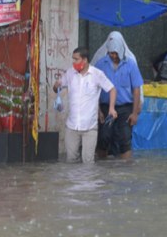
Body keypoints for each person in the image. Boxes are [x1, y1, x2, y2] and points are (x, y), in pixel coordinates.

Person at [53, 47, 117, 163]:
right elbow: (56, 88)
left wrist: (111, 108)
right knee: (71, 161)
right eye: (73, 59)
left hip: (90, 127)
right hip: (72, 127)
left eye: (76, 59)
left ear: (85, 60)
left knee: (88, 163)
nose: (73, 62)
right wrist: (56, 86)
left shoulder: (97, 74)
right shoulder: (70, 73)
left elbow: (112, 89)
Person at [93, 31, 144, 159]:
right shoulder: (100, 64)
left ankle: (125, 174)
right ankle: (101, 170)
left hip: (125, 108)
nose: (113, 56)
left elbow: (136, 90)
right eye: (111, 53)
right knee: (103, 138)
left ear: (122, 50)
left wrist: (134, 113)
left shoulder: (131, 64)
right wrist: (98, 111)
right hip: (105, 107)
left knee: (125, 140)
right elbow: (94, 90)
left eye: (116, 53)